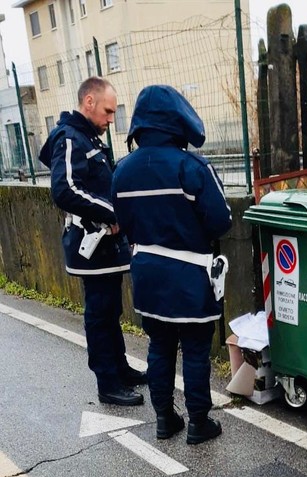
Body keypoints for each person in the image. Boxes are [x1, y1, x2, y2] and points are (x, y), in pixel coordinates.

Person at [112, 85, 232, 444]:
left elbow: (124, 223)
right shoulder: (192, 167)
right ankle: (199, 423)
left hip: (146, 273)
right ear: (178, 121)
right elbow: (221, 220)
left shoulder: (122, 171)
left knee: (159, 346)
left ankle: (165, 419)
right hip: (190, 274)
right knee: (195, 350)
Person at [39, 77, 147, 406]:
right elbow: (65, 190)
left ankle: (119, 369)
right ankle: (108, 383)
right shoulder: (70, 138)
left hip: (104, 246)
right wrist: (112, 212)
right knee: (100, 314)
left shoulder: (88, 138)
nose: (111, 119)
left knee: (110, 309)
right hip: (91, 244)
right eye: (107, 111)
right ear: (88, 102)